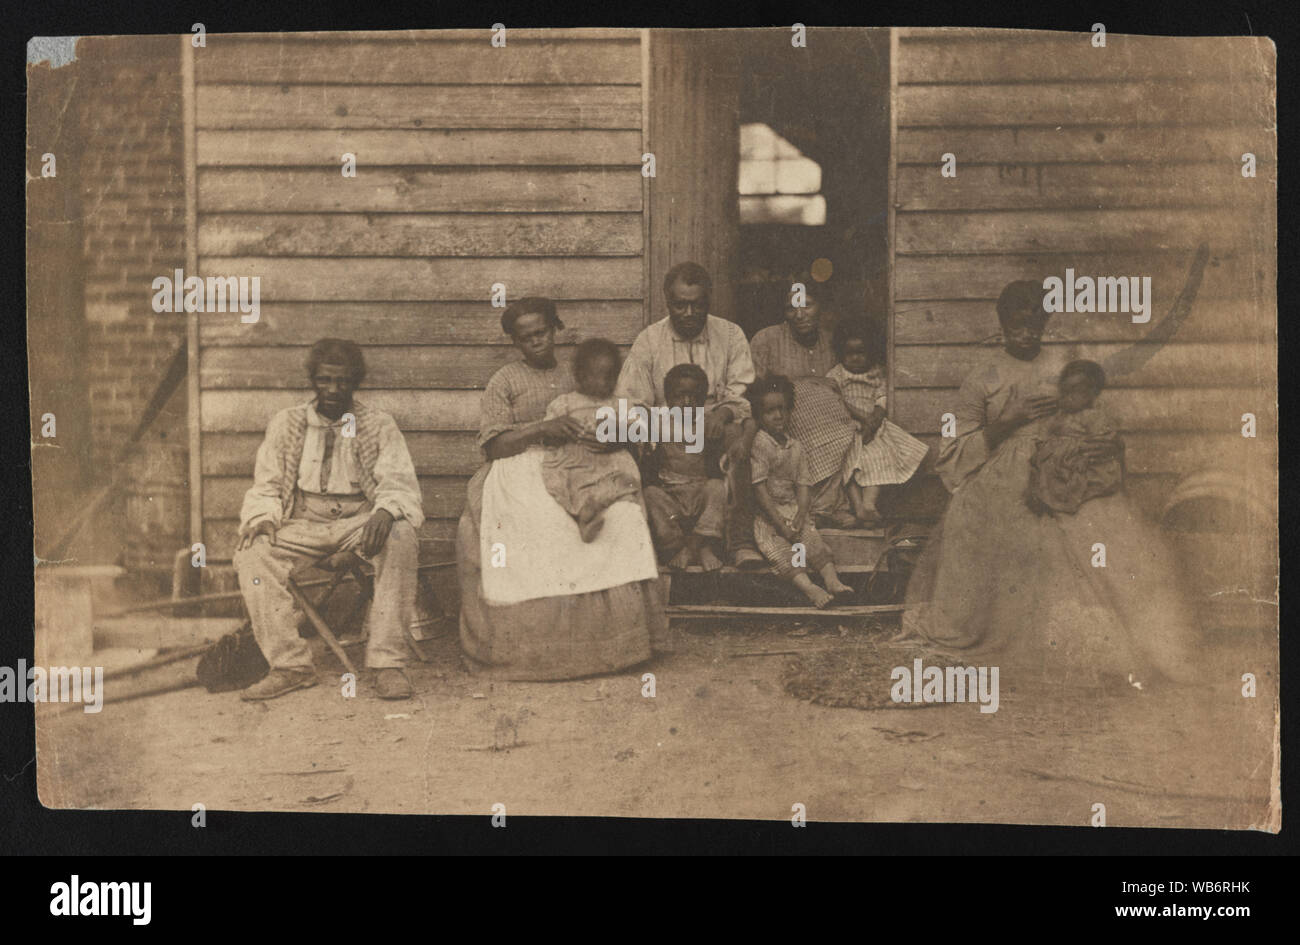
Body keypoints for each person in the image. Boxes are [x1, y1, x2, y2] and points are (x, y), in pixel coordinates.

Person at [902, 281, 1200, 687]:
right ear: (1002, 323)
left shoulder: (1064, 366)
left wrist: (1097, 445)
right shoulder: (982, 377)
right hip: (1003, 473)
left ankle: (1103, 644)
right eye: (1016, 325)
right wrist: (1009, 419)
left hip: (1066, 468)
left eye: (1035, 324)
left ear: (1046, 321)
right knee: (989, 527)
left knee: (1106, 538)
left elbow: (1095, 412)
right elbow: (952, 451)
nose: (1026, 333)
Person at [457, 297, 666, 681]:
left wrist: (613, 439)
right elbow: (493, 446)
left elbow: (616, 411)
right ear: (515, 343)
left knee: (621, 515)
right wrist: (541, 429)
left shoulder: (579, 372)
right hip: (519, 466)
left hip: (584, 463)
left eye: (542, 332)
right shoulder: (504, 381)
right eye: (525, 338)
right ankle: (533, 653)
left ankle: (616, 645)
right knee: (541, 521)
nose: (536, 342)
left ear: (555, 330)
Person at [234, 338, 424, 701]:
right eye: (324, 380)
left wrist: (385, 512)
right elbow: (268, 484)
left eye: (343, 381)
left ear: (356, 382)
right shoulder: (287, 423)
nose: (333, 390)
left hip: (358, 521)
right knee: (252, 552)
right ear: (313, 380)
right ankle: (290, 666)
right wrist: (262, 518)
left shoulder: (378, 425)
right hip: (303, 521)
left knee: (400, 536)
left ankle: (387, 663)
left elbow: (398, 482)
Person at [616, 262, 765, 568]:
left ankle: (739, 541)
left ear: (708, 300)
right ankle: (656, 543)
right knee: (629, 441)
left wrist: (722, 413)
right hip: (665, 424)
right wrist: (652, 425)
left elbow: (741, 392)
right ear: (667, 301)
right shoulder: (650, 339)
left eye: (696, 305)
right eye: (680, 305)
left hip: (714, 423)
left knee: (739, 439)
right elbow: (631, 398)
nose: (688, 313)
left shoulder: (730, 334)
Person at [749, 280, 858, 527]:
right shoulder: (766, 339)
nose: (799, 315)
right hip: (787, 417)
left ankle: (827, 506)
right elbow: (756, 390)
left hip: (831, 416)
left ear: (821, 307)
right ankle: (819, 508)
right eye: (791, 308)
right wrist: (809, 382)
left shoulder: (833, 342)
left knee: (848, 430)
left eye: (807, 305)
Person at [748, 375, 855, 609]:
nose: (778, 416)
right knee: (781, 551)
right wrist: (780, 524)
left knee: (811, 541)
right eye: (770, 411)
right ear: (758, 415)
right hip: (768, 517)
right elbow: (759, 489)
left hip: (793, 510)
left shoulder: (795, 446)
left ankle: (832, 580)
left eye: (783, 409)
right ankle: (810, 589)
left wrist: (799, 516)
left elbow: (803, 485)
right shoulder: (760, 443)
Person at [827, 321, 930, 525]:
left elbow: (882, 400)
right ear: (841, 353)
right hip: (847, 425)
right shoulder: (836, 374)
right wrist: (861, 419)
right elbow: (835, 400)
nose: (855, 358)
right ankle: (858, 507)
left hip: (874, 427)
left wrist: (873, 421)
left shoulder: (877, 373)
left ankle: (868, 505)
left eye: (861, 353)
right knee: (847, 464)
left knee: (877, 458)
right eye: (849, 353)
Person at [540, 338, 642, 542]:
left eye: (611, 377)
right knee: (572, 485)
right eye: (597, 377)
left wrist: (619, 433)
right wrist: (561, 430)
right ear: (580, 376)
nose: (605, 383)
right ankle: (584, 517)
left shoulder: (620, 404)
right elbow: (549, 431)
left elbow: (638, 430)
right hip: (577, 460)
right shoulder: (566, 403)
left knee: (627, 485)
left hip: (611, 459)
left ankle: (593, 508)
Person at [641, 363, 727, 571]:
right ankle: (682, 547)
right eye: (681, 396)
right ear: (669, 398)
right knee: (651, 494)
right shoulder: (658, 422)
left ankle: (700, 545)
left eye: (695, 397)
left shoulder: (707, 421)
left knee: (717, 488)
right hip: (672, 494)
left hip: (699, 492)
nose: (688, 402)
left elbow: (743, 418)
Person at [1026, 360, 1124, 516]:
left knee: (1081, 481)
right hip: (1057, 462)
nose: (1068, 398)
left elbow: (1104, 440)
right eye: (1065, 393)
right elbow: (1046, 431)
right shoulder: (1058, 414)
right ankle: (1050, 501)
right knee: (1043, 475)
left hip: (1080, 461)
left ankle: (1070, 501)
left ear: (1093, 393)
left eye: (1076, 392)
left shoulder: (1094, 416)